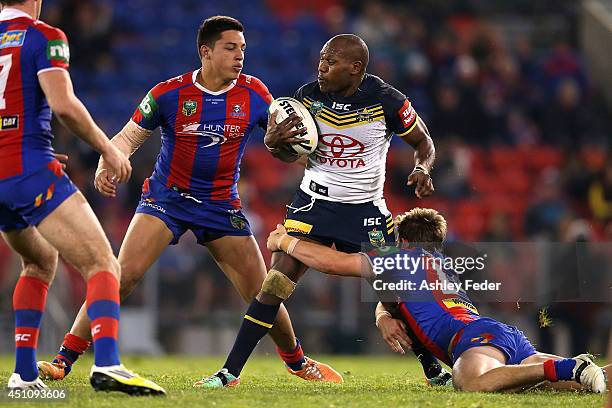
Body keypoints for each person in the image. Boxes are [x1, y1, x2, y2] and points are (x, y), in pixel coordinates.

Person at [37, 15, 340, 387]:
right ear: (206, 52)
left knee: (262, 291)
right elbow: (128, 138)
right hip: (167, 200)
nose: (239, 55)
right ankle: (63, 361)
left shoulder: (255, 93)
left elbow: (288, 145)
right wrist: (108, 161)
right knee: (120, 276)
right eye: (230, 48)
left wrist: (283, 145)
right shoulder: (168, 93)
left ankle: (298, 362)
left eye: (243, 49)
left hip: (220, 205)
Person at [199, 33, 445, 388]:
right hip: (313, 203)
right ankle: (229, 373)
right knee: (275, 284)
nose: (321, 67)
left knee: (394, 294)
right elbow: (292, 153)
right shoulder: (306, 96)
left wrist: (423, 168)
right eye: (321, 59)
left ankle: (433, 370)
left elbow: (424, 142)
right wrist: (273, 143)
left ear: (355, 68)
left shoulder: (388, 100)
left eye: (330, 62)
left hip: (366, 210)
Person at [0, 0, 164, 395]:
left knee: (39, 262)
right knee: (103, 262)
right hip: (30, 169)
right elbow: (64, 106)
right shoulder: (44, 35)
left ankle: (24, 374)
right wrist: (108, 149)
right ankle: (108, 363)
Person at [264, 207, 608, 393]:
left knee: (469, 382)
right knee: (576, 381)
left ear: (403, 240)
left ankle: (566, 366)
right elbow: (400, 299)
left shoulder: (398, 257)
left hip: (472, 339)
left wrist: (285, 242)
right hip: (496, 335)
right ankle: (571, 368)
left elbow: (334, 263)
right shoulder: (440, 266)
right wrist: (383, 316)